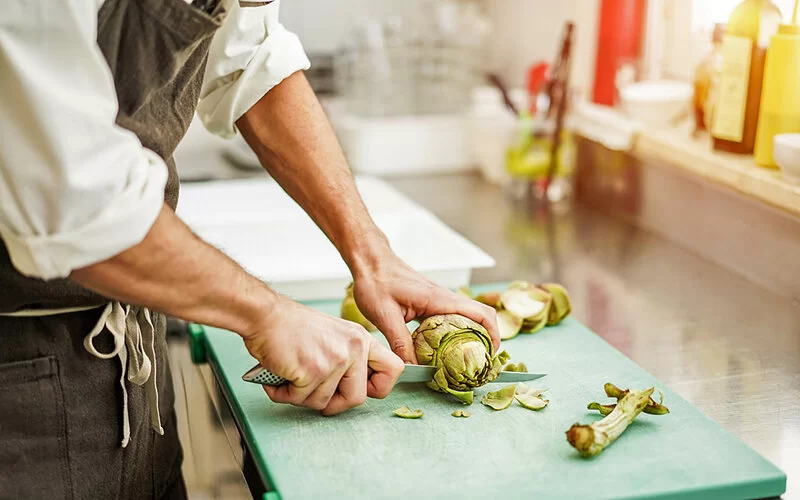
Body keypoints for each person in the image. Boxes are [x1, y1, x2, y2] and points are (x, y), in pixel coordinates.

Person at [0, 1, 499, 498]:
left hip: (134, 361)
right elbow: (72, 203)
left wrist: (373, 257)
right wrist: (268, 315)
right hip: (21, 387)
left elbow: (249, 61)